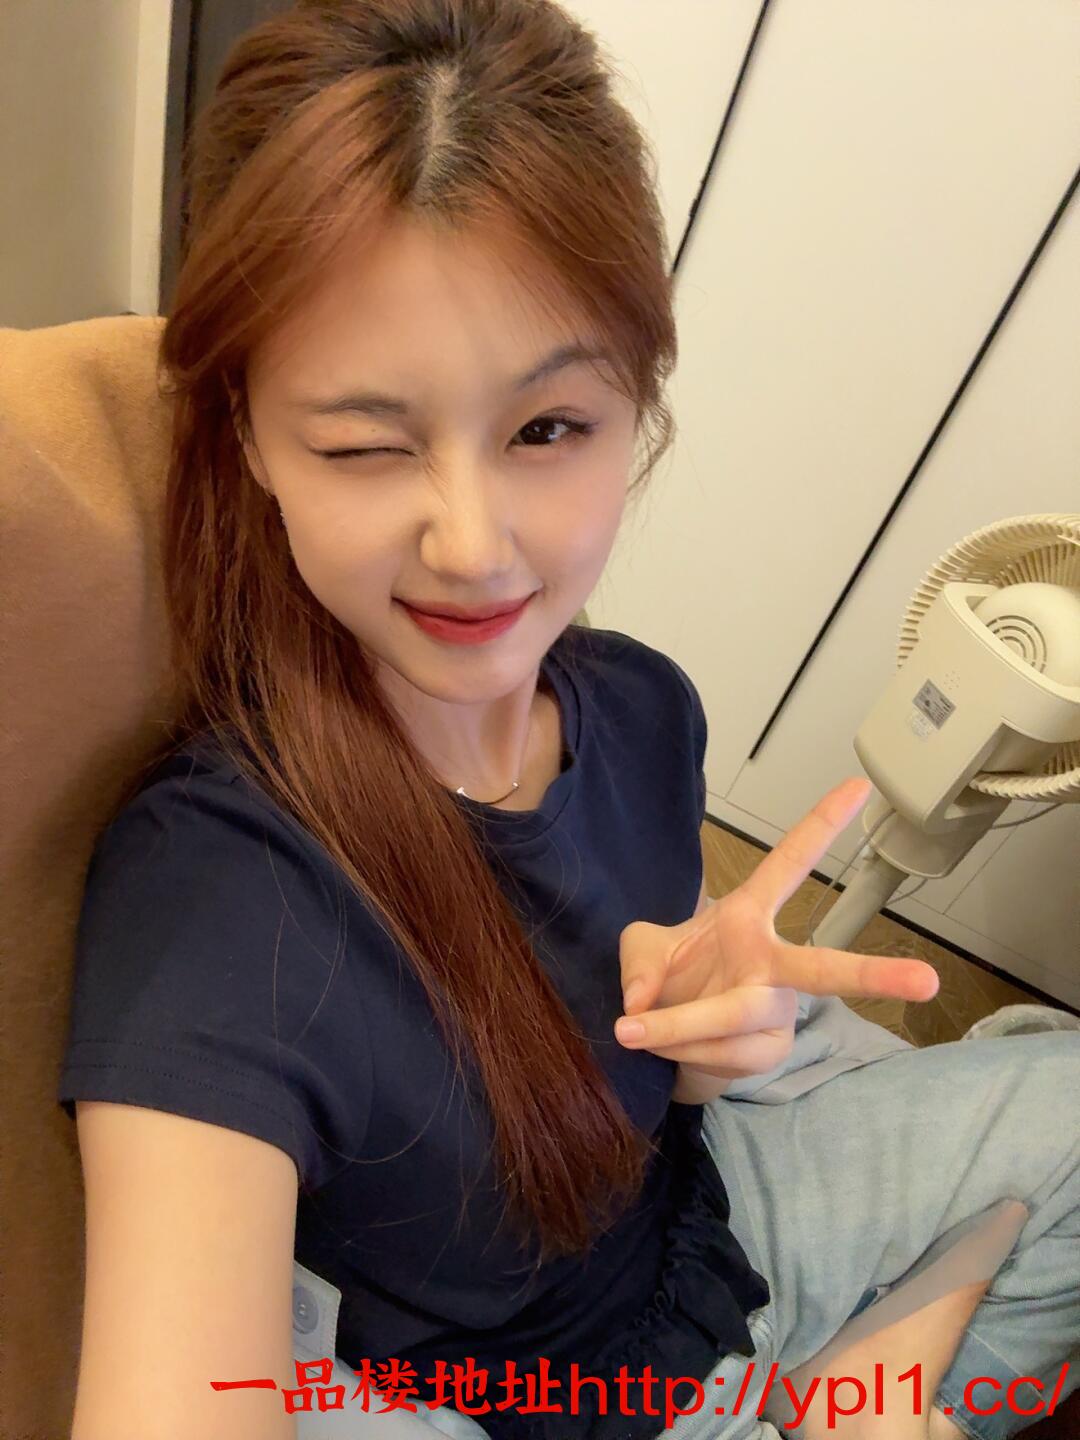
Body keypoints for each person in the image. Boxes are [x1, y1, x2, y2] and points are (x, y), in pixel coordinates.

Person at [56, 3, 1078, 1439]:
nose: (473, 547)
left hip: (710, 1237)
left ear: (637, 404)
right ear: (249, 439)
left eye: (547, 430)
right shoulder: (219, 897)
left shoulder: (645, 708)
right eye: (364, 444)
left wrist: (705, 1046)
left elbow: (662, 1085)